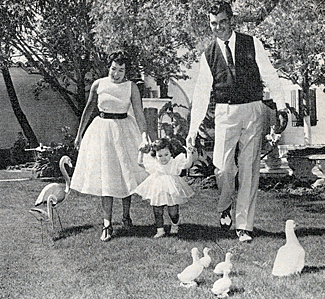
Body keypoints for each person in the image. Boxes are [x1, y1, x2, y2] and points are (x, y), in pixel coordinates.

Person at [186, 2, 288, 242]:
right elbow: (201, 95)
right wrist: (192, 130)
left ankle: (244, 225)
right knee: (222, 167)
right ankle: (224, 206)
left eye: (222, 22)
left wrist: (281, 106)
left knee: (249, 169)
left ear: (231, 20)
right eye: (213, 23)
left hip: (253, 109)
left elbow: (270, 75)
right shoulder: (208, 54)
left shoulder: (252, 43)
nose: (218, 27)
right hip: (225, 112)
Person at [70, 51, 149, 242]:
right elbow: (88, 108)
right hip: (102, 131)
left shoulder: (131, 87)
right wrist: (79, 134)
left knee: (125, 175)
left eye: (121, 70)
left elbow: (139, 113)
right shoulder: (99, 84)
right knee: (107, 176)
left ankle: (126, 216)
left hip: (124, 130)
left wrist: (144, 136)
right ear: (109, 67)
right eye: (114, 69)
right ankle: (107, 224)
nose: (116, 74)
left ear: (126, 71)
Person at [134, 138, 195, 238]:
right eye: (160, 155)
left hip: (172, 188)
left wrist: (189, 153)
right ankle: (160, 230)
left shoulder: (174, 162)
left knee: (173, 211)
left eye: (166, 154)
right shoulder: (154, 164)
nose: (163, 158)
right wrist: (141, 152)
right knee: (157, 210)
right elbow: (140, 163)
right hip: (157, 187)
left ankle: (175, 225)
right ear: (155, 155)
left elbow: (188, 164)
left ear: (171, 153)